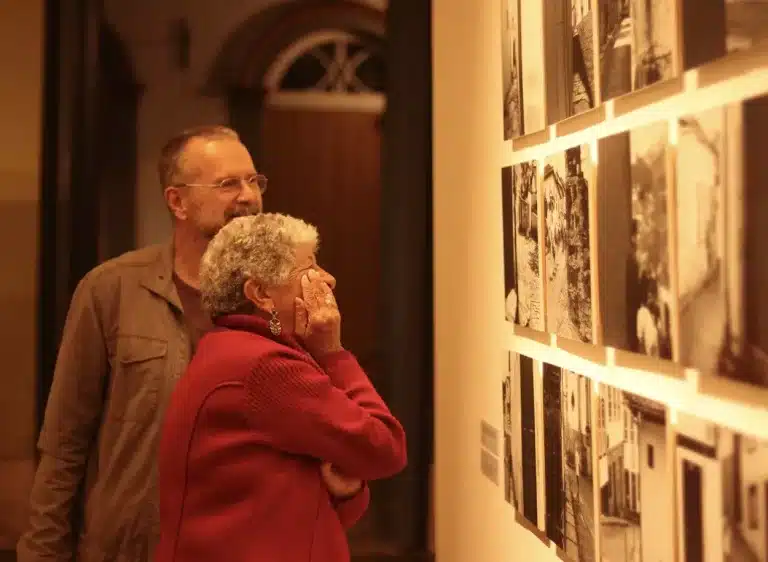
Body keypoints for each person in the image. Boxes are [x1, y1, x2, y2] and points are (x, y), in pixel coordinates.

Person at [17, 125, 267, 562]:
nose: (248, 196)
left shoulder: (275, 298)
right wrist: (42, 553)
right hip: (131, 548)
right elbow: (64, 443)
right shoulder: (110, 290)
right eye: (228, 183)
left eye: (253, 180)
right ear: (177, 202)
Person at [155, 213, 408, 562]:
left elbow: (316, 517)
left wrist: (344, 486)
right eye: (310, 269)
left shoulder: (229, 348)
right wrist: (332, 353)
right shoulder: (264, 366)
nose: (328, 280)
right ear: (261, 293)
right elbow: (385, 448)